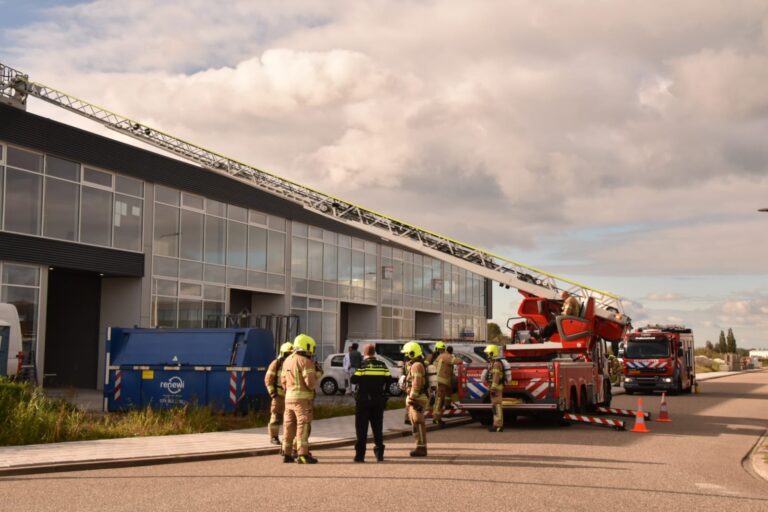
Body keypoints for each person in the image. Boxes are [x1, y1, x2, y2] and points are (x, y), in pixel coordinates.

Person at [281, 333, 322, 464]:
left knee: (288, 426)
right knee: (302, 426)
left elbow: (283, 381)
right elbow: (310, 383)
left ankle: (286, 454)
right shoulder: (306, 361)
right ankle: (303, 455)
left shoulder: (287, 360)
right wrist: (318, 373)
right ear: (306, 347)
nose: (311, 353)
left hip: (288, 399)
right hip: (302, 401)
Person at [350, 344, 392, 463]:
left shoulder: (362, 366)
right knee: (377, 428)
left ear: (365, 354)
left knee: (361, 429)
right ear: (374, 353)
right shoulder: (382, 366)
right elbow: (389, 380)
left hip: (363, 401)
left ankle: (360, 456)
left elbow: (354, 380)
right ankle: (379, 454)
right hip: (378, 401)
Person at [401, 341, 428, 457]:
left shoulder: (416, 366)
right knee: (415, 423)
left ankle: (421, 448)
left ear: (411, 353)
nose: (405, 356)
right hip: (417, 397)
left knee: (418, 422)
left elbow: (416, 383)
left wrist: (412, 397)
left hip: (417, 398)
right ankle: (419, 446)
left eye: (406, 354)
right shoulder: (415, 364)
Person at [264, 341, 294, 445]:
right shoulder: (275, 364)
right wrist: (273, 394)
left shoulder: (292, 364)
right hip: (278, 396)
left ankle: (288, 439)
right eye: (287, 354)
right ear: (283, 353)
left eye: (291, 353)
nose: (289, 356)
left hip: (290, 396)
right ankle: (274, 437)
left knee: (289, 419)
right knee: (275, 417)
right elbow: (268, 380)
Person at [431, 341, 455, 425]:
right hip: (441, 382)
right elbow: (458, 361)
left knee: (439, 399)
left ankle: (437, 417)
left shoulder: (437, 357)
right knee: (439, 400)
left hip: (437, 381)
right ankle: (436, 418)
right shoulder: (445, 356)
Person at [484, 344, 505, 432]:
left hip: (496, 388)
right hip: (494, 388)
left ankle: (498, 426)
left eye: (488, 353)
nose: (487, 355)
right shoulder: (494, 363)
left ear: (492, 353)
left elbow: (496, 377)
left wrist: (493, 388)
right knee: (495, 407)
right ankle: (496, 425)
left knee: (497, 407)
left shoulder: (496, 364)